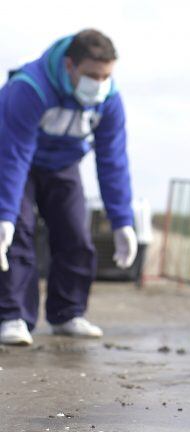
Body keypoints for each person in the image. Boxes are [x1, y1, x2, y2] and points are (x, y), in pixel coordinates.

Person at [0, 30, 138, 345]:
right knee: (18, 234)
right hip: (12, 158)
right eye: (91, 75)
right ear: (70, 66)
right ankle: (12, 316)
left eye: (106, 76)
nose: (99, 83)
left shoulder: (109, 100)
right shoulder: (29, 88)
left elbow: (113, 160)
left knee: (76, 235)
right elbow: (13, 154)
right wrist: (4, 213)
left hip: (62, 164)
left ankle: (68, 313)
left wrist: (122, 221)